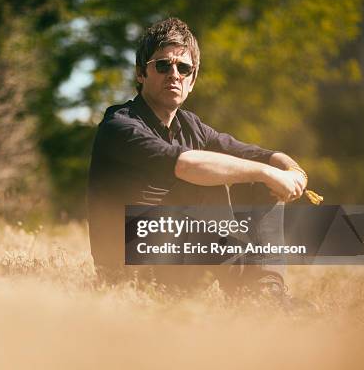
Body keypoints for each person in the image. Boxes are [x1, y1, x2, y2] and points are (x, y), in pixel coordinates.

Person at [87, 17, 308, 300]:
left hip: (182, 258)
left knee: (254, 179)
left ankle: (266, 293)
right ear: (141, 73)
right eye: (163, 65)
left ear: (193, 79)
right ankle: (253, 292)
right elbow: (187, 165)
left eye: (184, 68)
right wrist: (265, 173)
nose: (174, 74)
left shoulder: (190, 125)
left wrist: (293, 172)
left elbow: (255, 154)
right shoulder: (119, 124)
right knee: (214, 175)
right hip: (131, 269)